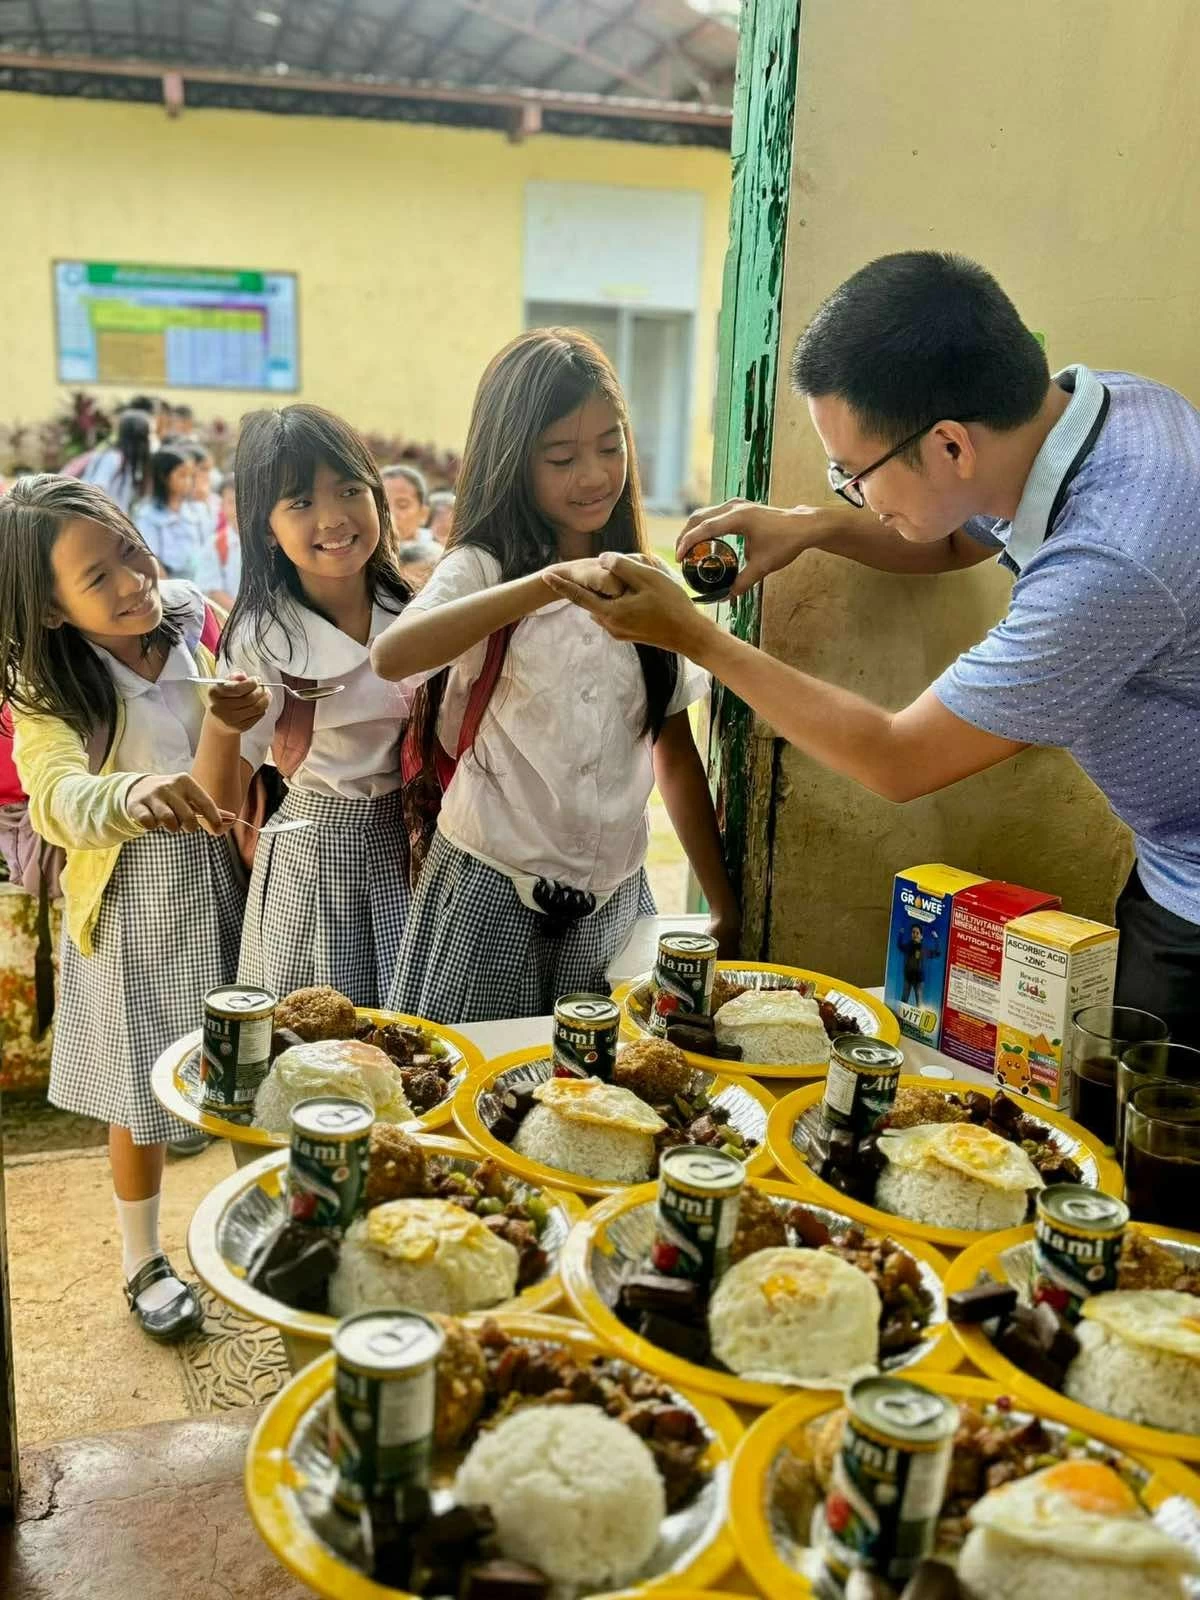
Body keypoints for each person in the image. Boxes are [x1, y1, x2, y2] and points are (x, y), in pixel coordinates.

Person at [546, 252, 1200, 1043]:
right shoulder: (1105, 410)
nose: (850, 492)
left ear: (951, 444)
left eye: (854, 474)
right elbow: (963, 534)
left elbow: (900, 759)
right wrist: (810, 526)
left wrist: (691, 635)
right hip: (1170, 852)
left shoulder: (1110, 558)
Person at [372, 328, 739, 1023]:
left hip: (611, 903)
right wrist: (545, 584)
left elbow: (675, 753)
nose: (595, 474)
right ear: (515, 461)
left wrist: (723, 907)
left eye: (611, 445)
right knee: (472, 1097)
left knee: (585, 1106)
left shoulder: (647, 582)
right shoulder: (485, 566)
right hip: (486, 893)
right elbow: (394, 656)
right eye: (562, 456)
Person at [0, 476, 268, 1340]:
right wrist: (136, 790)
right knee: (137, 1095)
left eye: (130, 551)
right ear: (49, 610)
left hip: (231, 880)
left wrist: (243, 713)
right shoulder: (47, 689)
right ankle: (141, 1257)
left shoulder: (196, 618)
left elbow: (238, 749)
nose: (132, 581)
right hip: (132, 905)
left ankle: (261, 1232)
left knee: (251, 1071)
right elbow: (56, 799)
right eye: (98, 577)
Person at [221, 404, 416, 1007]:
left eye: (349, 489)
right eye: (300, 502)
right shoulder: (262, 637)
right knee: (312, 1029)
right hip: (313, 850)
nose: (333, 518)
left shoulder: (417, 612)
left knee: (405, 1032)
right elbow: (226, 790)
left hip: (406, 841)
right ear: (264, 528)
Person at [134, 444, 219, 592]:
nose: (188, 481)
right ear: (164, 477)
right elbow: (151, 560)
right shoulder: (148, 516)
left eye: (191, 476)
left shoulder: (198, 510)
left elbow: (210, 549)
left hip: (201, 585)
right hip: (170, 588)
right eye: (182, 475)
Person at [80, 410, 155, 515]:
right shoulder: (113, 458)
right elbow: (96, 490)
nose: (152, 438)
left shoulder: (130, 463)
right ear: (140, 435)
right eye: (150, 433)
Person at [381, 464, 428, 542]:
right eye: (382, 506)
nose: (390, 514)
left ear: (423, 513)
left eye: (402, 506)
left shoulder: (437, 552)